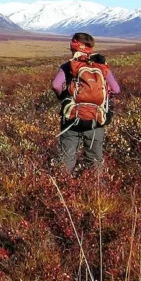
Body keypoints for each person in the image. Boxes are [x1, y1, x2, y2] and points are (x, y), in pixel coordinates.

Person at [50, 33, 121, 175]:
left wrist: (64, 97)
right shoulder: (101, 66)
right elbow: (116, 90)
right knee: (94, 160)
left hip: (71, 119)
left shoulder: (68, 66)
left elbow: (56, 85)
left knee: (67, 159)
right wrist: (101, 97)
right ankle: (96, 192)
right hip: (96, 119)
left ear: (73, 47)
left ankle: (62, 190)